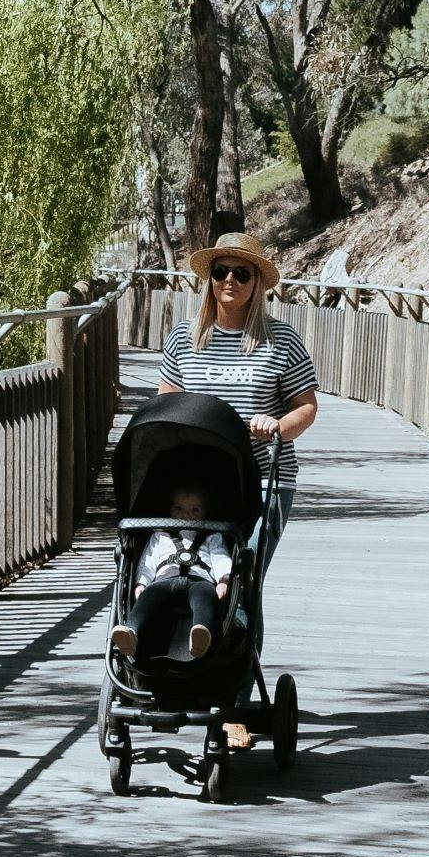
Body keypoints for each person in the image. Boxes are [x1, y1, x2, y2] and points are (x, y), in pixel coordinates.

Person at [155, 230, 319, 571]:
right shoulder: (183, 338)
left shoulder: (281, 339)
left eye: (241, 273)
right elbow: (165, 405)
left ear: (256, 282)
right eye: (221, 272)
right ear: (210, 279)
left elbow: (306, 406)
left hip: (262, 475)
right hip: (197, 475)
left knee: (244, 575)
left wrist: (277, 426)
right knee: (191, 570)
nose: (230, 280)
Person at [111, 485, 232, 661]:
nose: (186, 514)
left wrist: (224, 579)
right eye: (179, 508)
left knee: (206, 597)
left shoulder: (212, 536)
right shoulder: (160, 534)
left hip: (200, 580)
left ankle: (201, 633)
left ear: (205, 513)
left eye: (195, 510)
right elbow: (148, 562)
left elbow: (221, 559)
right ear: (169, 510)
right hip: (164, 580)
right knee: (149, 596)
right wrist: (141, 583)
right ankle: (131, 632)